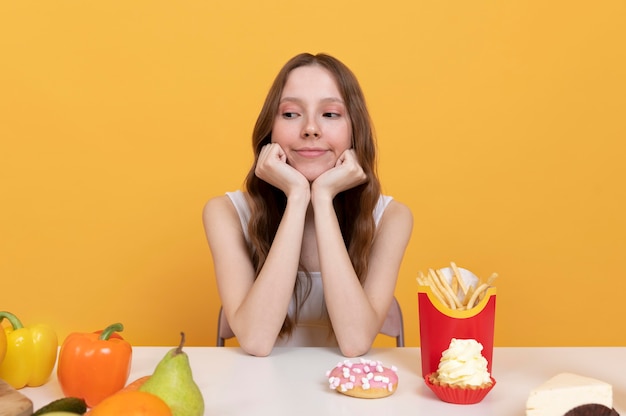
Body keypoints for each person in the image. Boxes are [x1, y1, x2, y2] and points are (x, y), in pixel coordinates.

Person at [203, 52, 412, 357]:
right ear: (269, 131)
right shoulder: (225, 213)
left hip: (347, 396)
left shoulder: (392, 218)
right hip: (256, 393)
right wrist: (298, 196)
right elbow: (255, 340)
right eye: (290, 114)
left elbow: (355, 342)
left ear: (355, 130)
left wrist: (323, 197)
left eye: (330, 114)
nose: (310, 129)